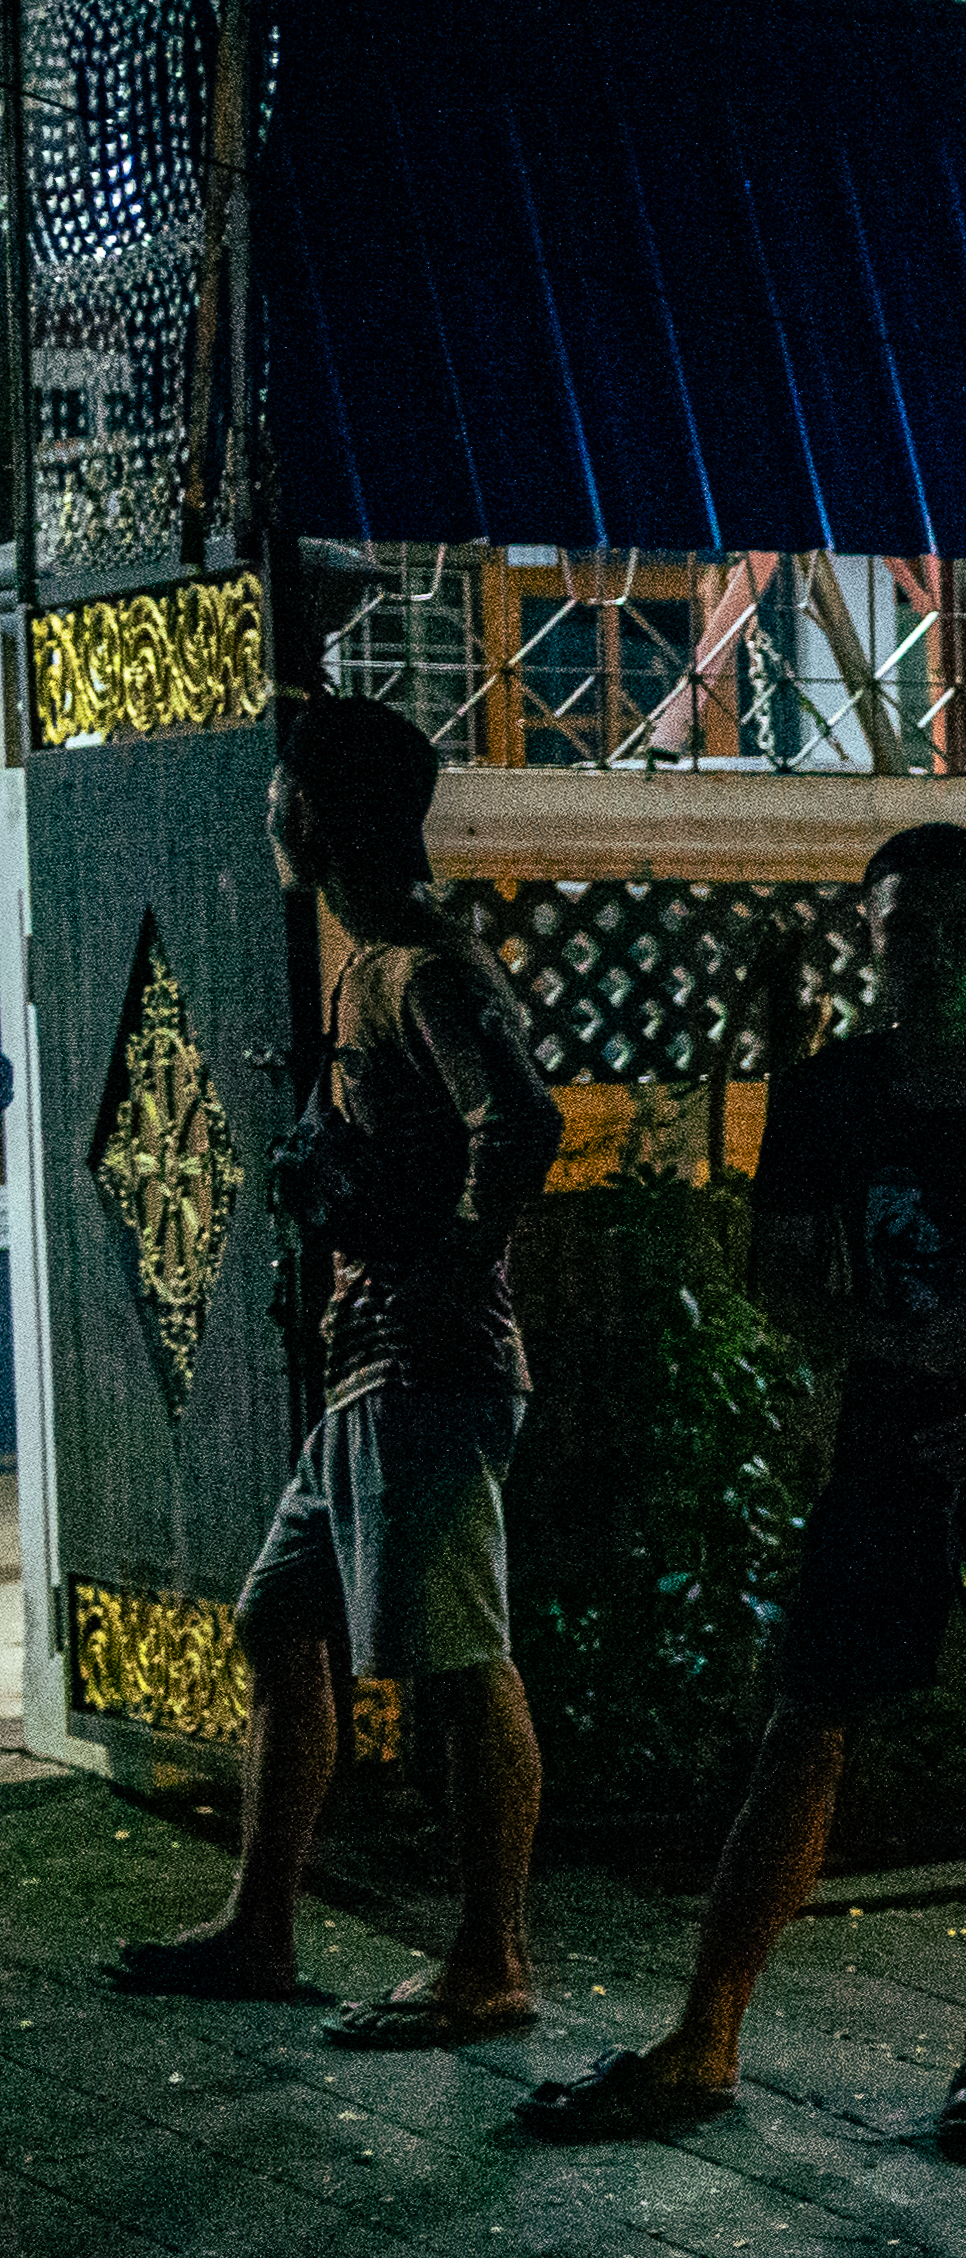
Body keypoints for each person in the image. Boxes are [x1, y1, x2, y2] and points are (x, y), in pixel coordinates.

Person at [516, 823, 966, 2154]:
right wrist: (906, 1348)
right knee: (808, 1722)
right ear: (870, 940)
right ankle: (706, 2033)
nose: (938, 957)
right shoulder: (830, 1096)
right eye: (908, 929)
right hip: (890, 1450)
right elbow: (782, 1277)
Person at [111, 696, 563, 2043]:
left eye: (278, 794)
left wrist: (446, 1267)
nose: (267, 815)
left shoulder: (420, 967)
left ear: (310, 812)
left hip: (423, 1367)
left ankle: (491, 1959)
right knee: (278, 1619)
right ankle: (261, 1925)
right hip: (374, 1369)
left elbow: (520, 1122)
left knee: (459, 1663)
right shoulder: (379, 963)